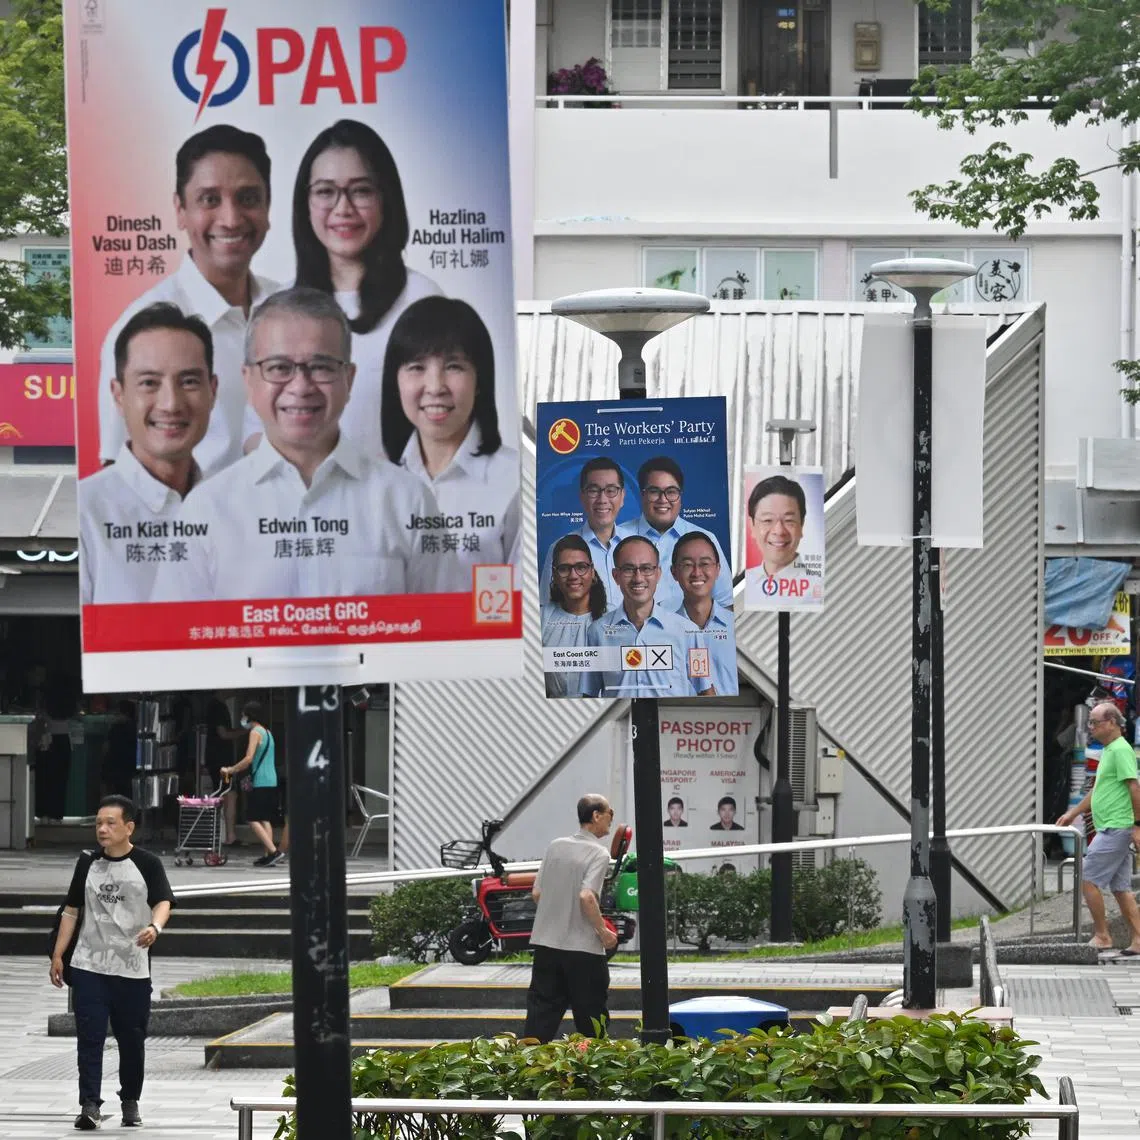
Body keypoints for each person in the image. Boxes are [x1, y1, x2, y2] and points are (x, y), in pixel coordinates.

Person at [151, 287, 460, 601]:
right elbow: (175, 630)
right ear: (249, 380)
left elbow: (450, 623)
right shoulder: (205, 510)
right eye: (279, 368)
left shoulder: (408, 501)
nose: (300, 387)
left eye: (321, 366)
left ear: (349, 379)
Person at [98, 125, 277, 476]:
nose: (231, 219)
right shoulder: (137, 330)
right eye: (209, 199)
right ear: (180, 210)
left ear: (268, 206)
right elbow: (118, 478)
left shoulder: (292, 310)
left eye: (248, 198)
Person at [275, 118, 442, 458]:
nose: (343, 209)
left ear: (385, 198)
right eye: (325, 191)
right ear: (305, 203)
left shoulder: (422, 301)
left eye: (361, 190)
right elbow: (255, 432)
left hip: (396, 491)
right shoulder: (278, 308)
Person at [50, 794, 175, 1130]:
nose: (102, 829)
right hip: (88, 965)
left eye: (110, 823)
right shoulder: (87, 863)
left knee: (132, 1039)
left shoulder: (148, 863)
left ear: (129, 827)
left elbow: (163, 901)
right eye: (98, 823)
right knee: (89, 1038)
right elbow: (71, 910)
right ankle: (89, 1104)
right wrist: (58, 954)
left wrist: (155, 927)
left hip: (131, 969)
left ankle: (130, 1100)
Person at [80, 304, 217, 604]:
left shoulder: (238, 507)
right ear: (119, 395)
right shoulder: (85, 513)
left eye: (189, 381)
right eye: (149, 383)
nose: (171, 404)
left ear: (213, 391)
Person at [381, 296, 520, 575]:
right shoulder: (378, 485)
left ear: (479, 380)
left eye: (454, 366)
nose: (435, 387)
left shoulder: (516, 479)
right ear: (395, 381)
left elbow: (524, 595)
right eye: (417, 367)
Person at [523, 794, 618, 1042]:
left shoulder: (555, 846)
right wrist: (603, 932)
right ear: (596, 815)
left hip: (546, 945)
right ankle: (593, 1064)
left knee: (540, 1016)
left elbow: (537, 893)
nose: (611, 818)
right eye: (610, 812)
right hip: (583, 950)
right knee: (592, 1020)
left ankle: (528, 1062)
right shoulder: (599, 853)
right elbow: (587, 897)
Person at [584, 536, 714, 698]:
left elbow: (707, 691)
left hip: (668, 715)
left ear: (658, 574)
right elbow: (588, 695)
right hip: (622, 715)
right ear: (616, 575)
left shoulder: (689, 632)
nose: (638, 578)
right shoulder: (597, 632)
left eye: (646, 568)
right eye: (629, 569)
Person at [1057, 702, 1140, 953]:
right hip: (1112, 826)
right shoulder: (1110, 750)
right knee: (1121, 888)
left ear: (1112, 723)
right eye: (1090, 722)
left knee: (1087, 878)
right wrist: (1073, 813)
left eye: (1094, 722)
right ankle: (1138, 940)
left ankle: (1103, 935)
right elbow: (1098, 791)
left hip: (1117, 826)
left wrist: (1137, 826)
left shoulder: (1120, 751)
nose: (1090, 727)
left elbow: (1134, 787)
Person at [631, 456, 732, 610]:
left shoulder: (705, 539)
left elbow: (726, 605)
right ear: (642, 495)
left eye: (671, 492)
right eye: (654, 491)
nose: (663, 499)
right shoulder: (618, 537)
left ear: (680, 496)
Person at [539, 458, 633, 608]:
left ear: (622, 496)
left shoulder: (638, 545)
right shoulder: (560, 548)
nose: (602, 500)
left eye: (611, 491)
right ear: (582, 497)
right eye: (593, 491)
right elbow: (547, 610)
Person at [541, 533, 608, 698]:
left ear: (592, 571)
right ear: (554, 575)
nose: (573, 576)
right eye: (564, 568)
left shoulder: (614, 618)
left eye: (581, 567)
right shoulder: (541, 618)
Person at [672, 531, 737, 697]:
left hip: (733, 713)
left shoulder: (737, 626)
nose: (697, 572)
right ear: (674, 572)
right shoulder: (663, 632)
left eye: (705, 564)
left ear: (718, 569)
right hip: (675, 713)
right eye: (687, 565)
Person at [221, 701, 284, 867]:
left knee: (252, 818)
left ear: (250, 716)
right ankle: (268, 855)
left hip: (261, 781)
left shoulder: (255, 732)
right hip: (271, 780)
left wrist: (231, 769)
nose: (242, 718)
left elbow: (249, 758)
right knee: (264, 819)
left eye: (244, 715)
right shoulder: (268, 733)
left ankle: (274, 852)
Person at [746, 474, 814, 580]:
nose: (779, 531)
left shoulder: (816, 583)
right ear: (752, 526)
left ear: (802, 524)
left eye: (788, 520)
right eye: (768, 520)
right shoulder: (744, 583)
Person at [203, 693, 244, 845]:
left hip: (218, 761)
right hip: (222, 763)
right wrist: (244, 732)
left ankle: (225, 835)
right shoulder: (218, 707)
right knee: (230, 794)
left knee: (225, 794)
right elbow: (223, 733)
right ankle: (230, 836)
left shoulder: (216, 706)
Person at [101, 701, 137, 799]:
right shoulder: (135, 727)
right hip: (128, 768)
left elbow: (106, 747)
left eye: (117, 712)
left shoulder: (115, 728)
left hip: (116, 767)